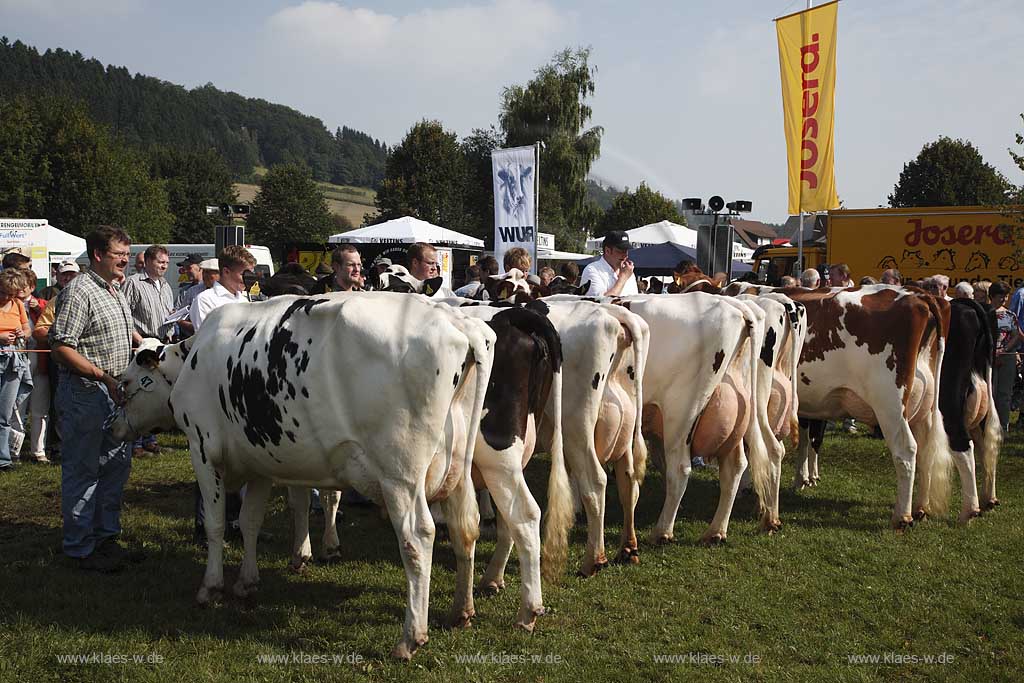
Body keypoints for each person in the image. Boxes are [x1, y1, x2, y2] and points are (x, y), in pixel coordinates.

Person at [49, 226, 142, 571]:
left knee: (116, 468)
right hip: (86, 394)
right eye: (119, 255)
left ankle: (106, 539)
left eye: (127, 255)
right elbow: (61, 348)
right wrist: (102, 377)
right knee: (84, 470)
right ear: (99, 255)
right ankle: (79, 549)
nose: (125, 261)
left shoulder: (115, 291)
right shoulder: (79, 292)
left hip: (115, 394)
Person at [122, 245, 173, 457]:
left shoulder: (166, 285)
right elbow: (124, 314)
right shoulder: (134, 283)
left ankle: (150, 440)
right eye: (161, 262)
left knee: (155, 393)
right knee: (138, 393)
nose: (164, 266)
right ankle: (135, 444)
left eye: (166, 263)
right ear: (149, 261)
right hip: (142, 344)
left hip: (161, 343)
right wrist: (140, 341)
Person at [12, 270, 50, 463]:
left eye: (24, 285)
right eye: (17, 284)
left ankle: (39, 451)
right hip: (18, 360)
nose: (20, 288)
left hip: (40, 361)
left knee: (40, 408)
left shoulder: (42, 304)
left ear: (33, 287)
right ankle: (14, 449)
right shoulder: (8, 304)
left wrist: (38, 308)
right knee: (17, 406)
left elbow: (51, 325)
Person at [0, 269, 33, 472]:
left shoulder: (18, 305)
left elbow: (28, 330)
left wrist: (24, 332)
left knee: (4, 413)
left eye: (11, 294)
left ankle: (3, 458)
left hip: (13, 361)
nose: (6, 297)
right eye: (3, 292)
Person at [989, 281, 1023, 432]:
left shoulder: (1010, 315)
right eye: (999, 296)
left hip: (1006, 357)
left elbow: (1017, 336)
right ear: (992, 296)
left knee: (1004, 394)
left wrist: (1005, 349)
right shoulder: (985, 313)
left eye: (1005, 296)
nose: (1003, 299)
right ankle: (984, 425)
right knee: (989, 392)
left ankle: (1003, 426)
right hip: (986, 357)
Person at [581, 231, 638, 297]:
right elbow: (599, 303)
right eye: (620, 251)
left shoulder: (629, 273)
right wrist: (623, 278)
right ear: (607, 251)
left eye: (626, 251)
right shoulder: (592, 270)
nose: (625, 255)